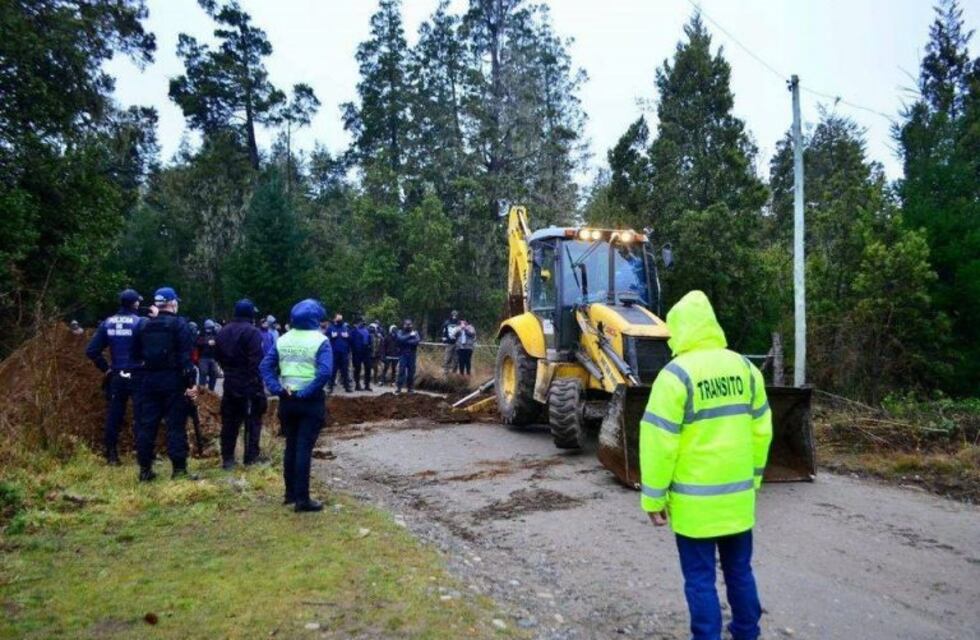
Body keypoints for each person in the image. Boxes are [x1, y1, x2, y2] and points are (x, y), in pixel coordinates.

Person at [639, 290, 772, 640]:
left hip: (695, 509)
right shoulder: (745, 368)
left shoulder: (675, 376)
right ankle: (747, 633)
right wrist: (753, 480)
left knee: (700, 580)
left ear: (679, 329)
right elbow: (762, 432)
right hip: (738, 502)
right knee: (739, 572)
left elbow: (658, 443)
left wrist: (653, 499)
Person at [260, 299, 332, 513]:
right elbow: (325, 372)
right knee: (303, 449)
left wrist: (278, 389)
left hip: (287, 401)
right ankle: (303, 499)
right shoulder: (320, 341)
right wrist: (308, 392)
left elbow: (265, 366)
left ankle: (289, 494)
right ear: (315, 318)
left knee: (290, 446)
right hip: (309, 402)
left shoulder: (283, 339)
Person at [132, 287, 197, 482]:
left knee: (147, 426)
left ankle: (144, 470)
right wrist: (190, 384)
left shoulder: (143, 326)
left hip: (149, 381)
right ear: (172, 302)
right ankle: (179, 470)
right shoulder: (180, 325)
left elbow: (135, 355)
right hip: (173, 381)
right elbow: (187, 359)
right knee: (175, 426)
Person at [85, 288, 144, 465]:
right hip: (138, 374)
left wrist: (106, 369)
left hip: (117, 375)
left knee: (114, 415)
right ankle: (144, 453)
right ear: (135, 304)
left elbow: (92, 351)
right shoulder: (140, 322)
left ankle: (111, 455)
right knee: (142, 415)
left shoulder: (107, 323)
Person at [216, 299, 267, 469]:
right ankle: (251, 456)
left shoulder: (223, 331)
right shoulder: (253, 332)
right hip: (249, 382)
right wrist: (257, 383)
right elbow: (256, 360)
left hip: (230, 381)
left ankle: (228, 458)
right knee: (253, 421)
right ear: (250, 314)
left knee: (229, 422)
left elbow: (219, 357)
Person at [326, 313, 352, 393]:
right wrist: (331, 337)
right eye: (338, 319)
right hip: (334, 353)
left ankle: (347, 387)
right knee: (333, 371)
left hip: (344, 353)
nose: (340, 321)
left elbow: (350, 340)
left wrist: (348, 337)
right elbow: (326, 339)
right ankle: (330, 387)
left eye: (341, 319)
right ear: (335, 319)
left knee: (345, 370)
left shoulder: (345, 328)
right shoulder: (330, 328)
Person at [395, 319, 421, 394]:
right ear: (404, 325)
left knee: (411, 373)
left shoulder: (415, 332)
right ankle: (399, 388)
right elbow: (400, 339)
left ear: (412, 325)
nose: (408, 326)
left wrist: (405, 341)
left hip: (412, 355)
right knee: (401, 371)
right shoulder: (400, 332)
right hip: (403, 354)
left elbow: (416, 341)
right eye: (406, 324)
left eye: (409, 324)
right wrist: (410, 336)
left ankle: (410, 388)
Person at [350, 316, 373, 392]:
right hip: (357, 352)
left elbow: (370, 340)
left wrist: (370, 347)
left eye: (363, 322)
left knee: (368, 368)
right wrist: (353, 350)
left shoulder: (367, 330)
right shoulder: (353, 331)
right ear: (357, 323)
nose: (362, 323)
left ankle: (367, 385)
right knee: (357, 368)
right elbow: (351, 342)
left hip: (366, 351)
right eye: (361, 322)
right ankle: (357, 385)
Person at [196, 319, 219, 391]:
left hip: (213, 357)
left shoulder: (215, 333)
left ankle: (211, 391)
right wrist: (207, 342)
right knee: (203, 373)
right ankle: (201, 392)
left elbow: (219, 341)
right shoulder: (201, 333)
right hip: (203, 357)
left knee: (214, 374)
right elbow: (197, 342)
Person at [440, 310, 460, 375]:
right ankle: (446, 372)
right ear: (451, 315)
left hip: (457, 343)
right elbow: (444, 331)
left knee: (456, 359)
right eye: (453, 315)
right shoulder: (447, 322)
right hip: (449, 343)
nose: (454, 316)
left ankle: (454, 372)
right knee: (447, 358)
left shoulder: (459, 323)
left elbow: (461, 332)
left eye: (455, 315)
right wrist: (444, 339)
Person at [369, 322, 383, 386]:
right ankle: (369, 380)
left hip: (377, 355)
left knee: (377, 368)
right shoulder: (369, 335)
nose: (371, 329)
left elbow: (382, 344)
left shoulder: (379, 336)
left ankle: (376, 380)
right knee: (369, 367)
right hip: (370, 354)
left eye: (373, 328)